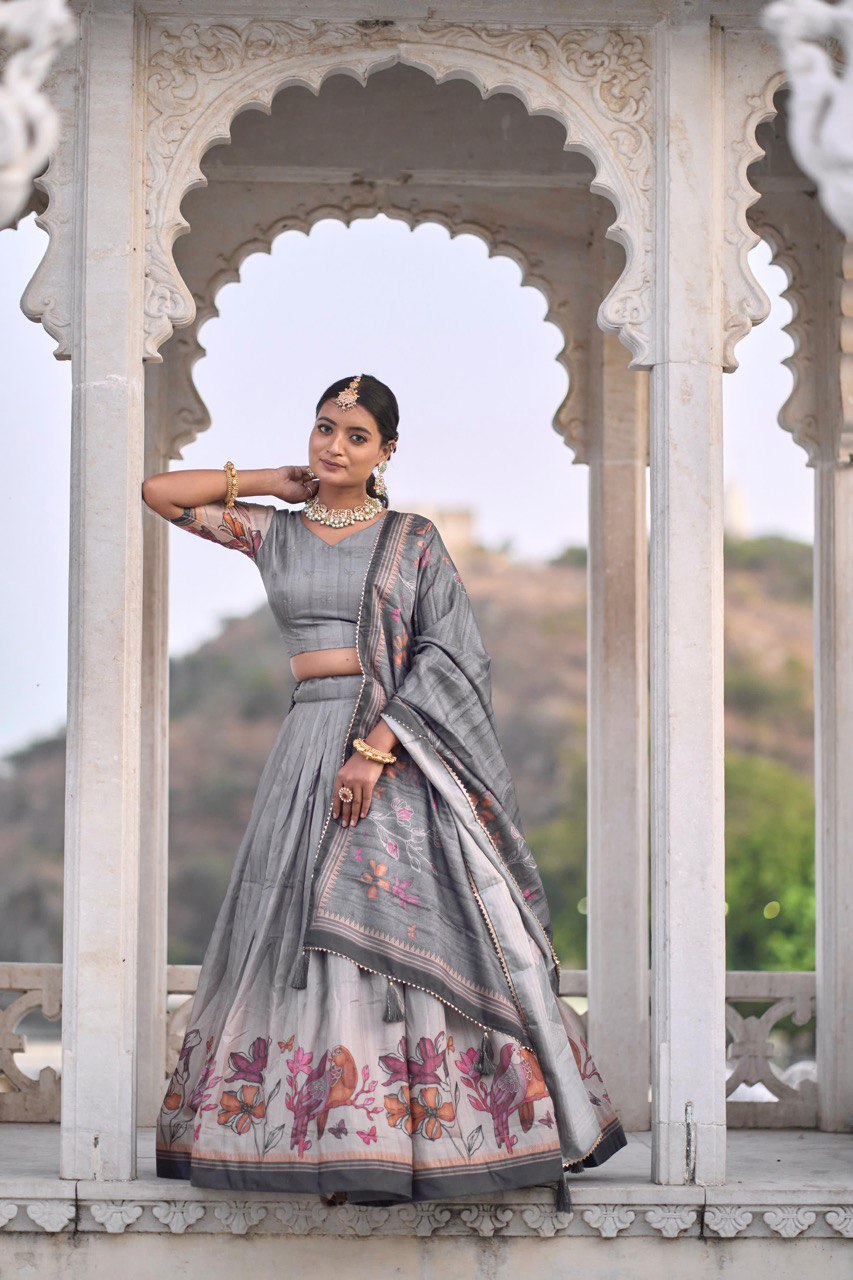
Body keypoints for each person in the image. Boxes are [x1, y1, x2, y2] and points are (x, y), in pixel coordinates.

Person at [143, 372, 627, 1209]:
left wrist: (373, 749)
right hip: (306, 743)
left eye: (356, 435)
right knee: (296, 924)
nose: (334, 446)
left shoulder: (411, 540)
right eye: (324, 428)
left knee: (404, 923)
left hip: (396, 747)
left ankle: (431, 1137)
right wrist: (267, 480)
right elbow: (158, 492)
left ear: (386, 451)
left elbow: (450, 654)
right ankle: (329, 1133)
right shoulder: (275, 533)